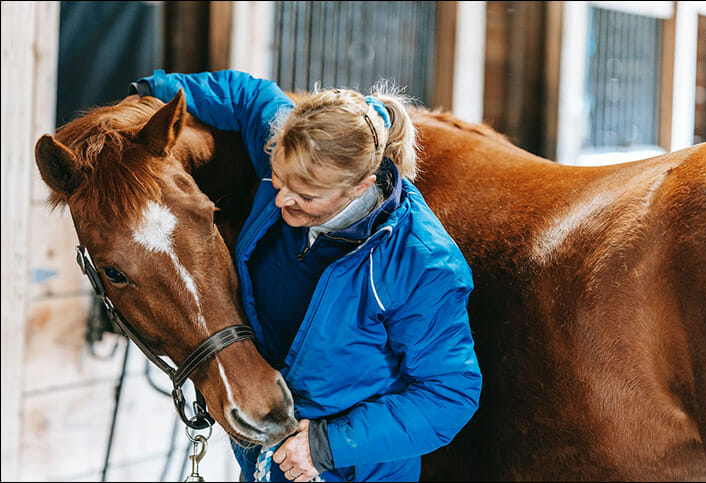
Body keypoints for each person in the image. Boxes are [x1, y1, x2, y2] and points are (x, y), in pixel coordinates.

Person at [129, 69, 482, 482]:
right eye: (277, 179)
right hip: (268, 460)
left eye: (306, 196)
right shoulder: (295, 153)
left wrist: (327, 445)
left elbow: (450, 394)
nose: (281, 200)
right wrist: (150, 92)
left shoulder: (423, 263)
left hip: (346, 469)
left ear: (360, 186)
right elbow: (248, 95)